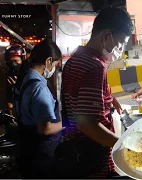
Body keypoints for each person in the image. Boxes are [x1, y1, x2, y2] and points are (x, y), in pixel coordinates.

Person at [57, 7, 133, 178]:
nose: (119, 51)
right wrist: (125, 145)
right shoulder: (95, 67)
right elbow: (86, 123)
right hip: (94, 159)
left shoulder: (74, 61)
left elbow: (79, 98)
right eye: (120, 44)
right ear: (107, 36)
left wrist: (109, 99)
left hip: (77, 154)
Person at [13, 40, 63, 178]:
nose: (53, 70)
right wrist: (67, 124)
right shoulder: (39, 88)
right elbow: (45, 128)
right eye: (54, 65)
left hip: (26, 152)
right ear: (48, 61)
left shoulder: (24, 79)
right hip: (41, 157)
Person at [4, 45, 26, 116]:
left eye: (16, 61)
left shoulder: (28, 75)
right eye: (11, 62)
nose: (14, 64)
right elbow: (9, 99)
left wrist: (18, 87)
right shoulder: (10, 75)